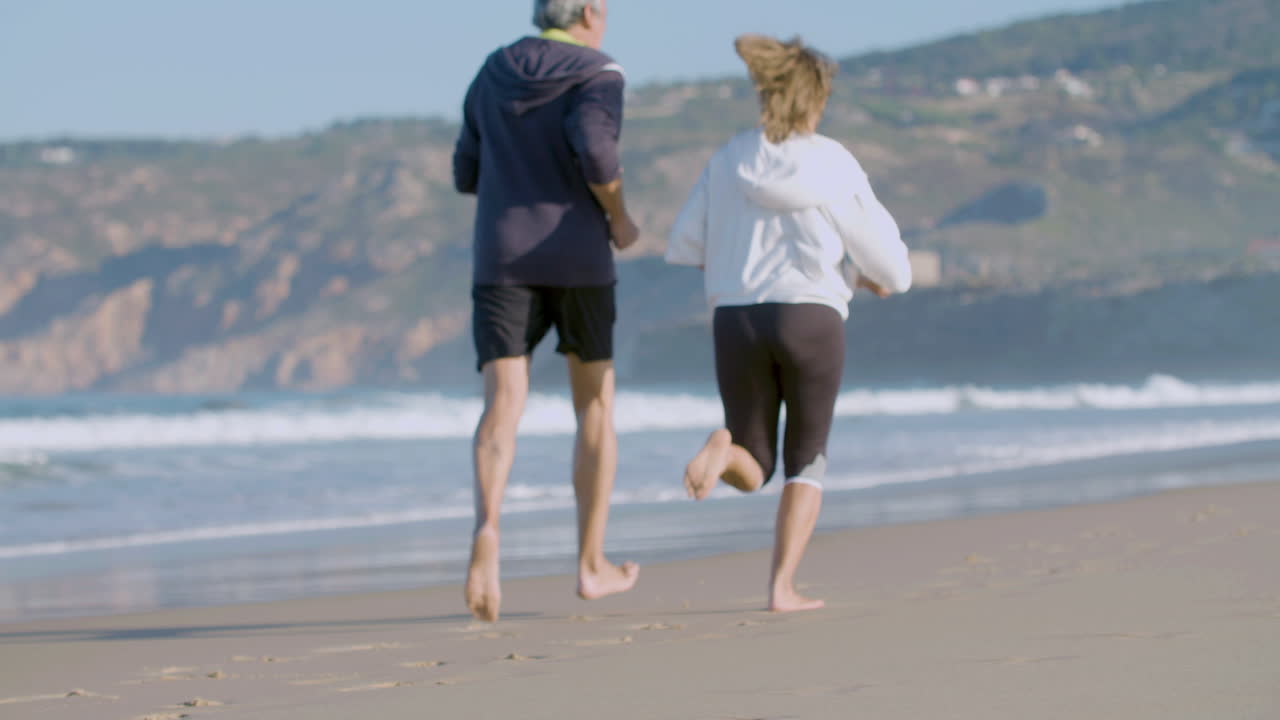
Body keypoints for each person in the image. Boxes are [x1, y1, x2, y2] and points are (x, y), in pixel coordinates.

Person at [664, 35, 912, 613]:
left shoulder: (728, 160)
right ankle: (781, 588)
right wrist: (866, 277)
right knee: (807, 460)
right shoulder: (832, 161)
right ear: (816, 101)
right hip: (810, 319)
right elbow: (891, 267)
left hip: (736, 320)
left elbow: (686, 242)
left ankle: (723, 453)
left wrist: (737, 264)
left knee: (755, 462)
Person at [452, 0, 640, 623]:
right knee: (593, 405)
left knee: (502, 406)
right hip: (579, 257)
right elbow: (596, 149)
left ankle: (487, 532)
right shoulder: (599, 72)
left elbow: (465, 169)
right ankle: (591, 565)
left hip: (501, 260)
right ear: (588, 10)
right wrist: (617, 214)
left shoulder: (492, 69)